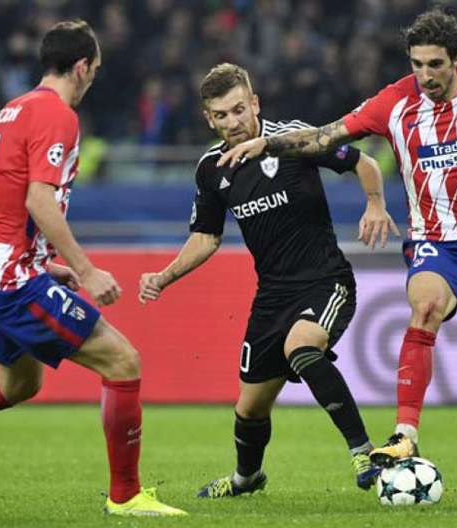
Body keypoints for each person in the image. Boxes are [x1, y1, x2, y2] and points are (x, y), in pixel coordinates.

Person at [217, 8, 457, 466]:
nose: (425, 75)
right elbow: (325, 138)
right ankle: (404, 435)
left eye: (435, 64)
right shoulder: (394, 102)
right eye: (416, 64)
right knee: (426, 307)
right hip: (435, 243)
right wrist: (266, 143)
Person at [138, 63, 398, 497]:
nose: (233, 122)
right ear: (209, 119)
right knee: (250, 409)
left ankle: (362, 450)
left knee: (301, 346)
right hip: (272, 297)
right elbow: (205, 238)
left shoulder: (292, 138)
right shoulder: (211, 169)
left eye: (239, 110)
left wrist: (374, 204)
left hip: (325, 280)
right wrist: (164, 278)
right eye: (221, 115)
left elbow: (363, 160)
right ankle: (246, 479)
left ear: (255, 103)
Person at [0, 20, 185, 517]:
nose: (94, 80)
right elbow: (40, 202)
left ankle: (126, 495)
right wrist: (84, 270)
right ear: (81, 67)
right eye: (96, 70)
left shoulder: (8, 112)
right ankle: (126, 497)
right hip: (14, 282)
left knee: (18, 385)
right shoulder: (57, 115)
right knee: (123, 361)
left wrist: (46, 264)